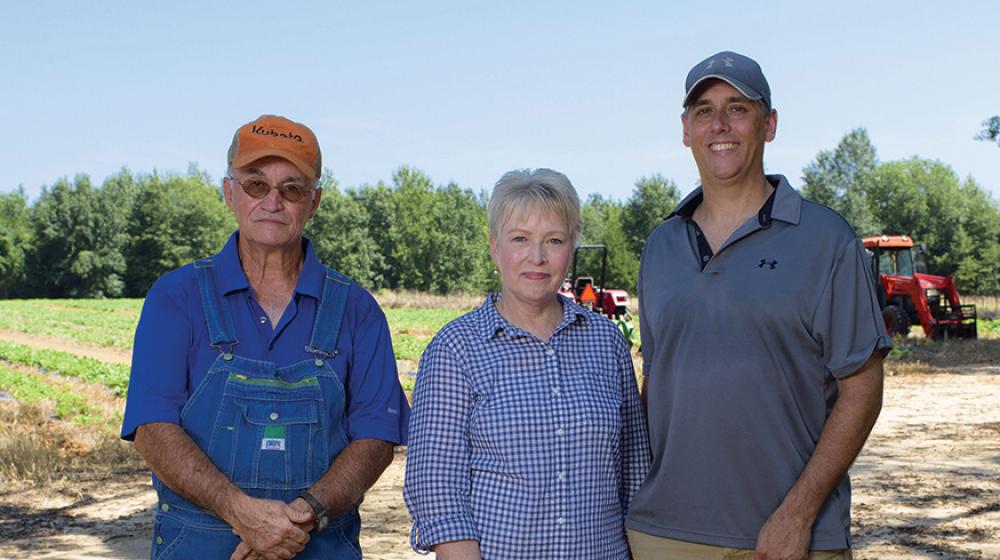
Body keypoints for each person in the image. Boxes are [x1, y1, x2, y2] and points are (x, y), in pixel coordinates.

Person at [625, 52, 890, 560]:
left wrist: (799, 514)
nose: (719, 125)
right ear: (686, 130)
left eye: (737, 108)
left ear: (768, 124)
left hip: (786, 539)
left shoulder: (825, 239)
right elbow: (655, 381)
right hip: (662, 534)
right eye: (704, 111)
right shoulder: (661, 246)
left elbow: (862, 388)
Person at [120, 114, 410, 560]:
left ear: (313, 202)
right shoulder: (176, 298)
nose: (273, 201)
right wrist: (244, 515)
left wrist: (302, 514)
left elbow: (376, 436)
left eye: (291, 188)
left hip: (318, 544)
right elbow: (152, 427)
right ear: (229, 192)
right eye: (256, 184)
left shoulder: (356, 309)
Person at [404, 169, 650, 560]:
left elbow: (635, 472)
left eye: (554, 240)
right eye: (520, 239)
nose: (537, 257)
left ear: (571, 249)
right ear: (494, 247)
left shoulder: (607, 343)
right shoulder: (456, 348)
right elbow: (436, 487)